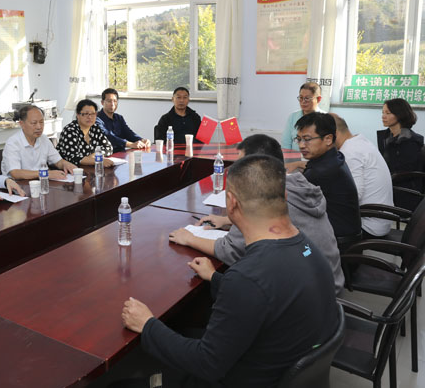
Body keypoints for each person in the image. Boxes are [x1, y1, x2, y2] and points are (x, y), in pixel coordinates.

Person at [122, 154, 339, 387]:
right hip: (281, 363)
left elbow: (207, 363)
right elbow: (271, 293)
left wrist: (147, 324)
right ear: (284, 196)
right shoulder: (307, 247)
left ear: (232, 203)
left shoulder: (247, 277)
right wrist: (216, 278)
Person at [169, 134, 344, 294]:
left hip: (307, 299)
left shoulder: (268, 196)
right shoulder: (297, 183)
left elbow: (231, 250)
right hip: (327, 283)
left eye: (241, 164)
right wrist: (227, 220)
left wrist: (189, 238)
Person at [294, 112, 361, 246]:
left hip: (337, 244)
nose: (301, 145)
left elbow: (296, 205)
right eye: (298, 139)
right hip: (347, 235)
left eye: (307, 139)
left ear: (328, 139)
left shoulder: (321, 172)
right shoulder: (335, 157)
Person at [332, 113, 394, 238]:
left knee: (315, 222)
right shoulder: (359, 141)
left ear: (334, 134)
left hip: (369, 226)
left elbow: (353, 196)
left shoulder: (350, 152)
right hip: (380, 219)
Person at [1, 105, 77, 180]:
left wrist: (65, 164)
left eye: (41, 122)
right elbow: (15, 173)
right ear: (22, 124)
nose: (39, 127)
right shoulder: (13, 143)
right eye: (34, 123)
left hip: (41, 183)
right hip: (18, 185)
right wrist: (45, 173)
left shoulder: (44, 139)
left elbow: (57, 161)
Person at [378, 97, 424, 211]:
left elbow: (403, 171)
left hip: (403, 193)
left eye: (388, 113)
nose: (383, 116)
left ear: (399, 115)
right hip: (388, 187)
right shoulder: (386, 138)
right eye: (383, 112)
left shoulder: (410, 141)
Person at [56, 99, 115, 166]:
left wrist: (94, 155)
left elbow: (109, 148)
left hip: (88, 168)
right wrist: (98, 160)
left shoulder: (95, 128)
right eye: (86, 114)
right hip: (68, 169)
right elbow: (73, 158)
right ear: (78, 115)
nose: (89, 117)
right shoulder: (70, 131)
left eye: (93, 114)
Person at [96, 88, 150, 153]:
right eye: (109, 101)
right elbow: (107, 136)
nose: (112, 104)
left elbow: (129, 133)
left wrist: (142, 140)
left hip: (121, 154)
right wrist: (130, 144)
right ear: (102, 102)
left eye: (115, 101)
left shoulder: (119, 118)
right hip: (104, 155)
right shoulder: (96, 119)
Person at [281, 82, 323, 150]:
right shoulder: (293, 117)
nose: (303, 101)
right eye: (301, 98)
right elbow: (286, 144)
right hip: (294, 156)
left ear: (318, 99)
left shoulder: (326, 119)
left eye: (307, 98)